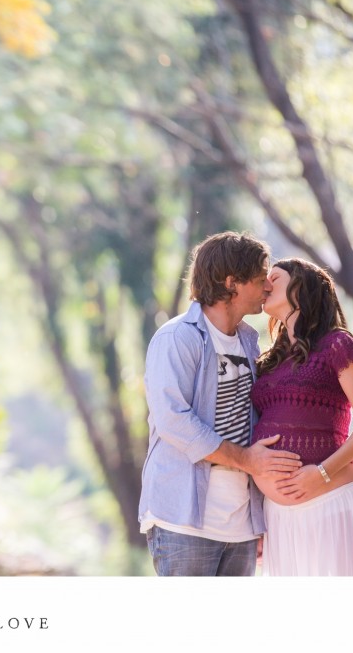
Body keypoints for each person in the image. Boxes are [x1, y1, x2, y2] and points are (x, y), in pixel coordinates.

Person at [139, 231, 303, 576]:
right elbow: (173, 421)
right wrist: (246, 459)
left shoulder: (249, 341)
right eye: (260, 280)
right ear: (232, 283)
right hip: (185, 523)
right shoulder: (176, 338)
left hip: (241, 525)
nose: (268, 288)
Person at [250, 257, 353, 575]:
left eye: (273, 277)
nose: (265, 284)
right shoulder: (269, 359)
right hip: (279, 521)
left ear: (302, 287)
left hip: (332, 505)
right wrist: (257, 515)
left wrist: (322, 474)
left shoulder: (338, 345)